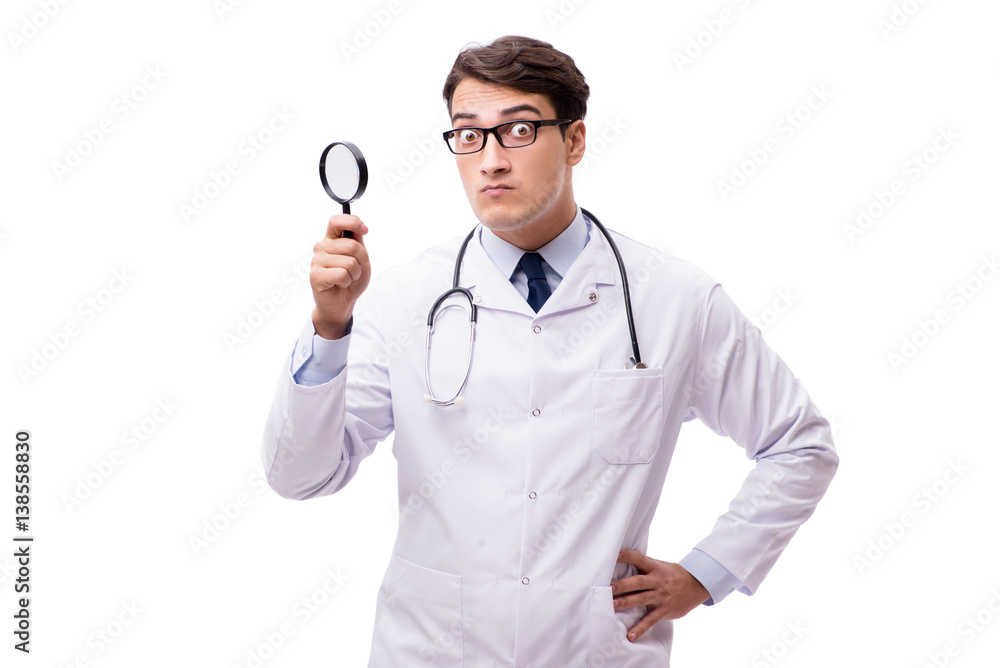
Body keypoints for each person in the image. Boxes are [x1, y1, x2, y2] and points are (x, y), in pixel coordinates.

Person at [261, 35, 839, 667]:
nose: (491, 161)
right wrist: (330, 326)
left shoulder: (674, 299)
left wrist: (706, 573)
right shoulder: (405, 301)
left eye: (519, 131)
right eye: (469, 135)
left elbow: (799, 444)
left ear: (574, 140)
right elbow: (301, 476)